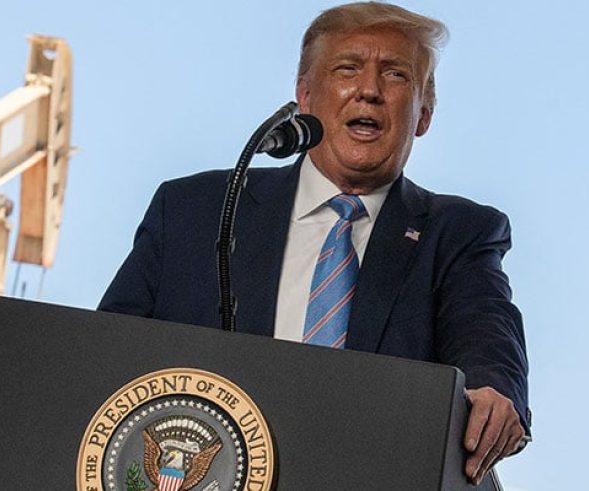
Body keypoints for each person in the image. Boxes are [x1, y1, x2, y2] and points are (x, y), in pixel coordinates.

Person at [99, 1, 529, 485]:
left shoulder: (458, 232)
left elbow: (486, 329)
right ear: (305, 95)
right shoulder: (193, 209)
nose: (369, 90)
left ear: (423, 114)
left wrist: (492, 387)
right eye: (347, 69)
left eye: (395, 75)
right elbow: (106, 356)